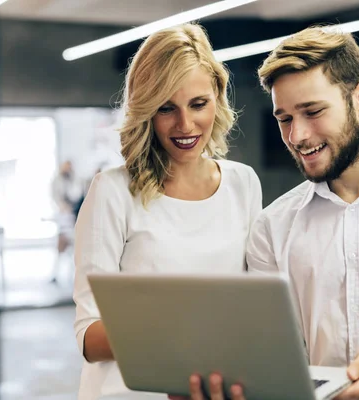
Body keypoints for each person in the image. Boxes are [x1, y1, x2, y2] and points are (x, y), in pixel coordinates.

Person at [175, 25, 359, 400]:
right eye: (284, 118)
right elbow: (272, 365)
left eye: (312, 111)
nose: (298, 136)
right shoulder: (272, 228)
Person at [73, 23, 263, 400]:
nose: (185, 125)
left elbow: (255, 307)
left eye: (198, 104)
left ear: (218, 98)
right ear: (146, 111)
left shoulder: (243, 183)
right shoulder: (112, 191)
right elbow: (89, 335)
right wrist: (184, 339)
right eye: (166, 108)